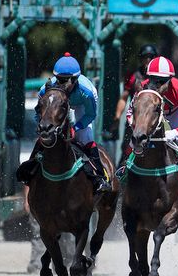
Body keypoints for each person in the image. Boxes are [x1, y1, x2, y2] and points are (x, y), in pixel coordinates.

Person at [16, 53, 111, 193]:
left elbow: (90, 114)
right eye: (59, 80)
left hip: (81, 105)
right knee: (44, 137)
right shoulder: (45, 90)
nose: (62, 84)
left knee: (85, 137)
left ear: (75, 79)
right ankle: (28, 172)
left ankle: (100, 178)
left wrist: (76, 127)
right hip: (57, 104)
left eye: (67, 81)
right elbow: (39, 115)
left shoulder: (86, 92)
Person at [125, 56, 178, 187]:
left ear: (170, 80)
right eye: (153, 80)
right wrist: (137, 126)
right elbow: (130, 113)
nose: (156, 85)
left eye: (161, 81)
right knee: (133, 142)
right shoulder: (143, 87)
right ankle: (125, 170)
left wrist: (176, 132)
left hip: (174, 115)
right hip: (151, 116)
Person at [112, 44, 158, 164]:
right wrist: (117, 116)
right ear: (141, 59)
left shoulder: (159, 77)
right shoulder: (133, 76)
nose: (148, 60)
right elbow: (124, 97)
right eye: (145, 57)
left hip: (153, 120)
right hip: (135, 119)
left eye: (151, 57)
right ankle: (122, 172)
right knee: (127, 149)